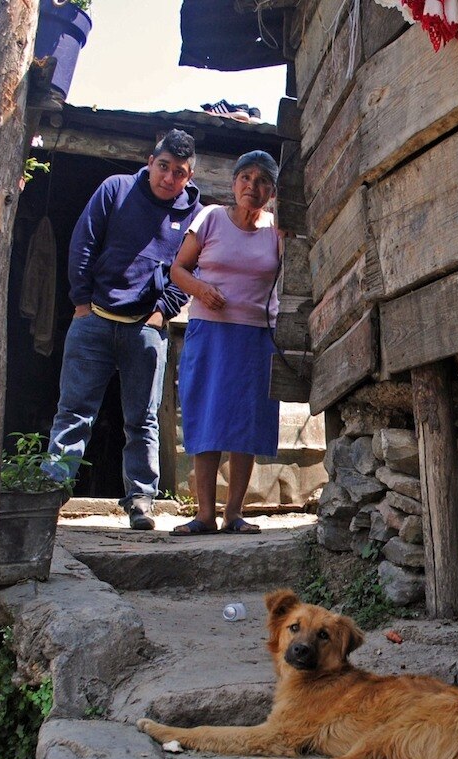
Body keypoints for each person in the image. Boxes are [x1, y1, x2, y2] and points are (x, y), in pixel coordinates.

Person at [42, 129, 201, 530]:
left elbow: (192, 270)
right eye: (163, 167)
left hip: (144, 328)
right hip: (93, 319)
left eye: (179, 173)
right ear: (151, 162)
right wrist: (81, 303)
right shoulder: (115, 189)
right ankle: (49, 496)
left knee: (142, 419)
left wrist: (164, 310)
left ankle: (141, 501)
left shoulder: (192, 217)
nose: (169, 178)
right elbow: (83, 244)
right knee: (74, 411)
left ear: (189, 175)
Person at [167, 150, 282, 535]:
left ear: (272, 191)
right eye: (246, 177)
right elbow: (178, 269)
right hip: (210, 332)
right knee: (208, 418)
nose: (253, 186)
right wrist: (201, 288)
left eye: (263, 180)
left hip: (256, 336)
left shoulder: (276, 230)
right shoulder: (211, 217)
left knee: (246, 423)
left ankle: (234, 513)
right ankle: (204, 515)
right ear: (234, 183)